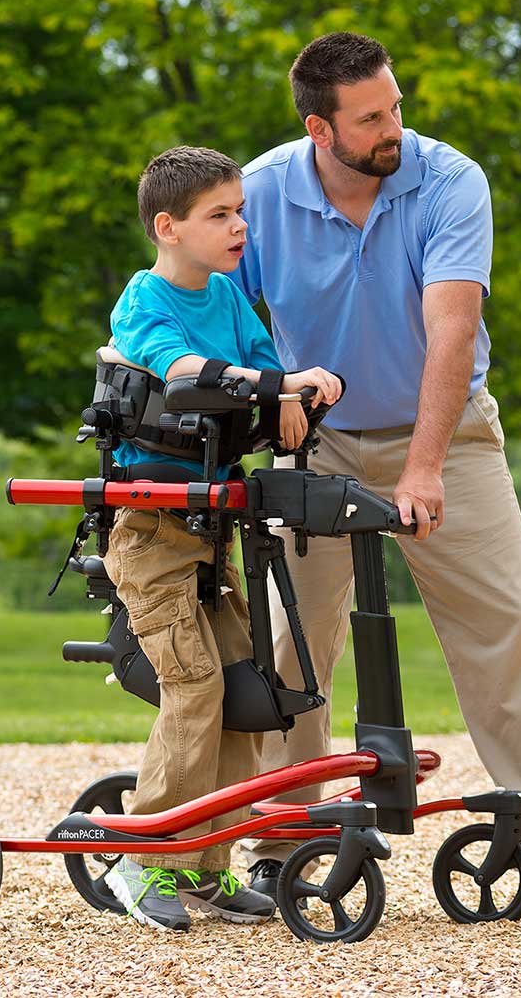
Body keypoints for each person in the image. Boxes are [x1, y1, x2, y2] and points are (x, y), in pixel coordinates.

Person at [230, 32, 521, 924]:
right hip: (317, 439)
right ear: (319, 127)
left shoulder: (450, 179)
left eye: (397, 105)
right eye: (371, 117)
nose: (395, 128)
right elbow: (226, 316)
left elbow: (451, 329)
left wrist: (423, 467)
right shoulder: (259, 192)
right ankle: (278, 845)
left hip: (447, 435)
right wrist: (269, 405)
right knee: (291, 645)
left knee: (507, 629)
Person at [101, 145, 343, 932]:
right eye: (221, 215)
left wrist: (301, 386)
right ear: (169, 227)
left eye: (241, 211)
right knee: (196, 683)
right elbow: (181, 372)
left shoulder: (234, 302)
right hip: (151, 534)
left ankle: (206, 863)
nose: (241, 225)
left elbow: (270, 367)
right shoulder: (146, 300)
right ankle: (144, 858)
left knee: (245, 693)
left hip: (213, 534)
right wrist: (268, 386)